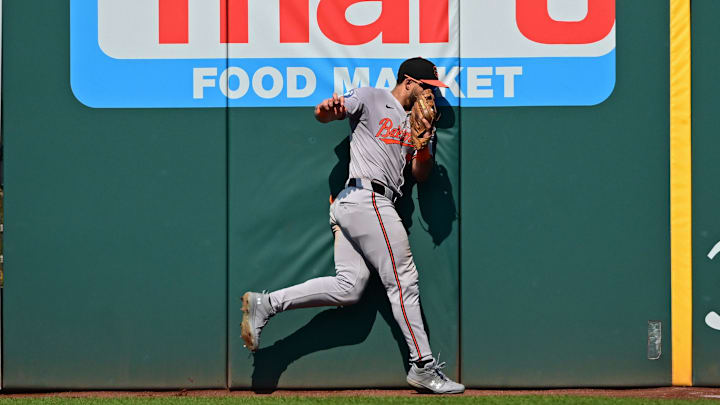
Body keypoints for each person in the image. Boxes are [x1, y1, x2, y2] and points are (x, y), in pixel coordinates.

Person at [241, 57, 464, 395]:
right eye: (427, 87)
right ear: (408, 82)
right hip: (365, 197)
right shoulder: (373, 97)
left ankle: (267, 304)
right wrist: (327, 109)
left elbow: (420, 175)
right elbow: (326, 113)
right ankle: (422, 366)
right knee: (403, 280)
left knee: (349, 288)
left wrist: (422, 148)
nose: (431, 95)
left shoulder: (420, 122)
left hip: (362, 204)